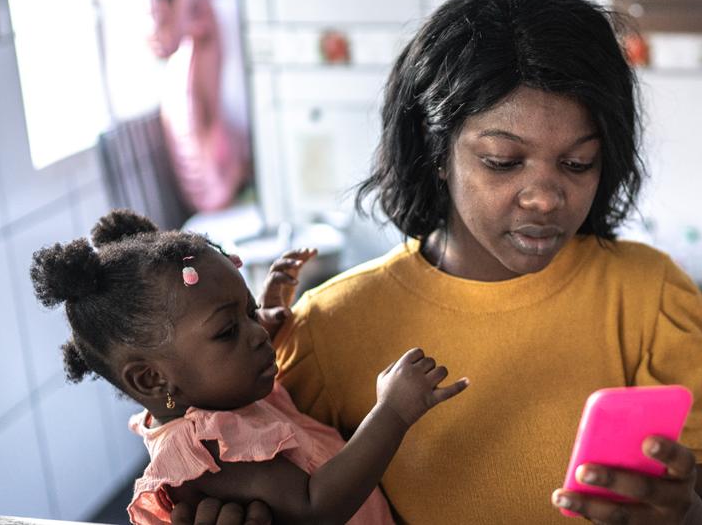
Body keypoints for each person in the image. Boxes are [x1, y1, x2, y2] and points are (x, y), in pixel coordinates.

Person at [179, 0, 702, 524]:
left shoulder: (654, 302)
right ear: (435, 152)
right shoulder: (328, 333)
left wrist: (683, 516)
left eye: (577, 163)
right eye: (502, 161)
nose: (545, 197)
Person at [29, 209, 468, 525]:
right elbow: (317, 505)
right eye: (227, 330)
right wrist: (392, 413)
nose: (256, 334)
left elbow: (240, 349)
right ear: (151, 378)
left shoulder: (218, 392)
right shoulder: (206, 452)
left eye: (249, 311)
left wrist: (271, 309)